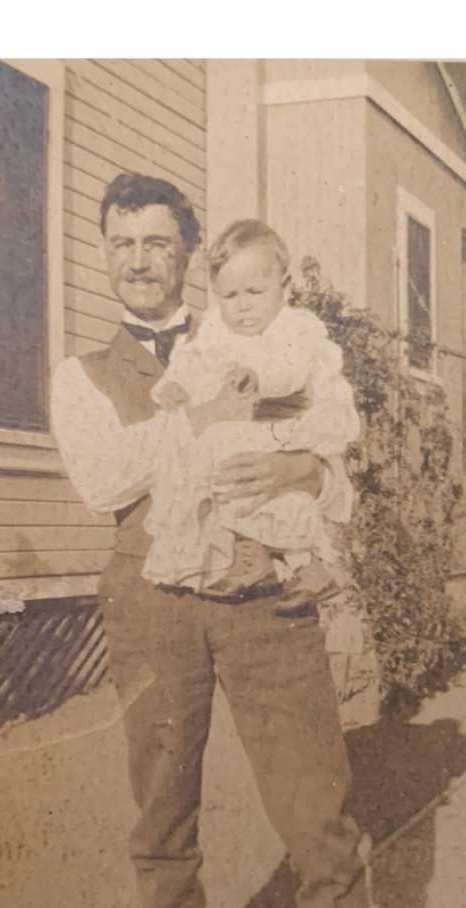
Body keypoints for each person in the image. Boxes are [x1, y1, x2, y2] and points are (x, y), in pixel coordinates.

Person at [52, 172, 372, 908]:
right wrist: (208, 415)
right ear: (104, 253)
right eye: (122, 243)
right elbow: (104, 481)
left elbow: (340, 471)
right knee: (163, 820)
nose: (138, 260)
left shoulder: (263, 332)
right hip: (153, 607)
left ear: (190, 251)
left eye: (157, 242)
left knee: (318, 818)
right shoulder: (80, 375)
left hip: (267, 597)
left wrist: (304, 471)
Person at [142, 218, 360, 614]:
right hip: (244, 429)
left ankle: (304, 564)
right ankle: (260, 559)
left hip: (284, 426)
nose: (243, 305)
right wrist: (174, 387)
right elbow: (191, 364)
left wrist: (260, 376)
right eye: (230, 295)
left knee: (266, 489)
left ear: (284, 286)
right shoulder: (214, 332)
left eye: (255, 292)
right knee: (224, 483)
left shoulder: (294, 328)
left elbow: (291, 369)